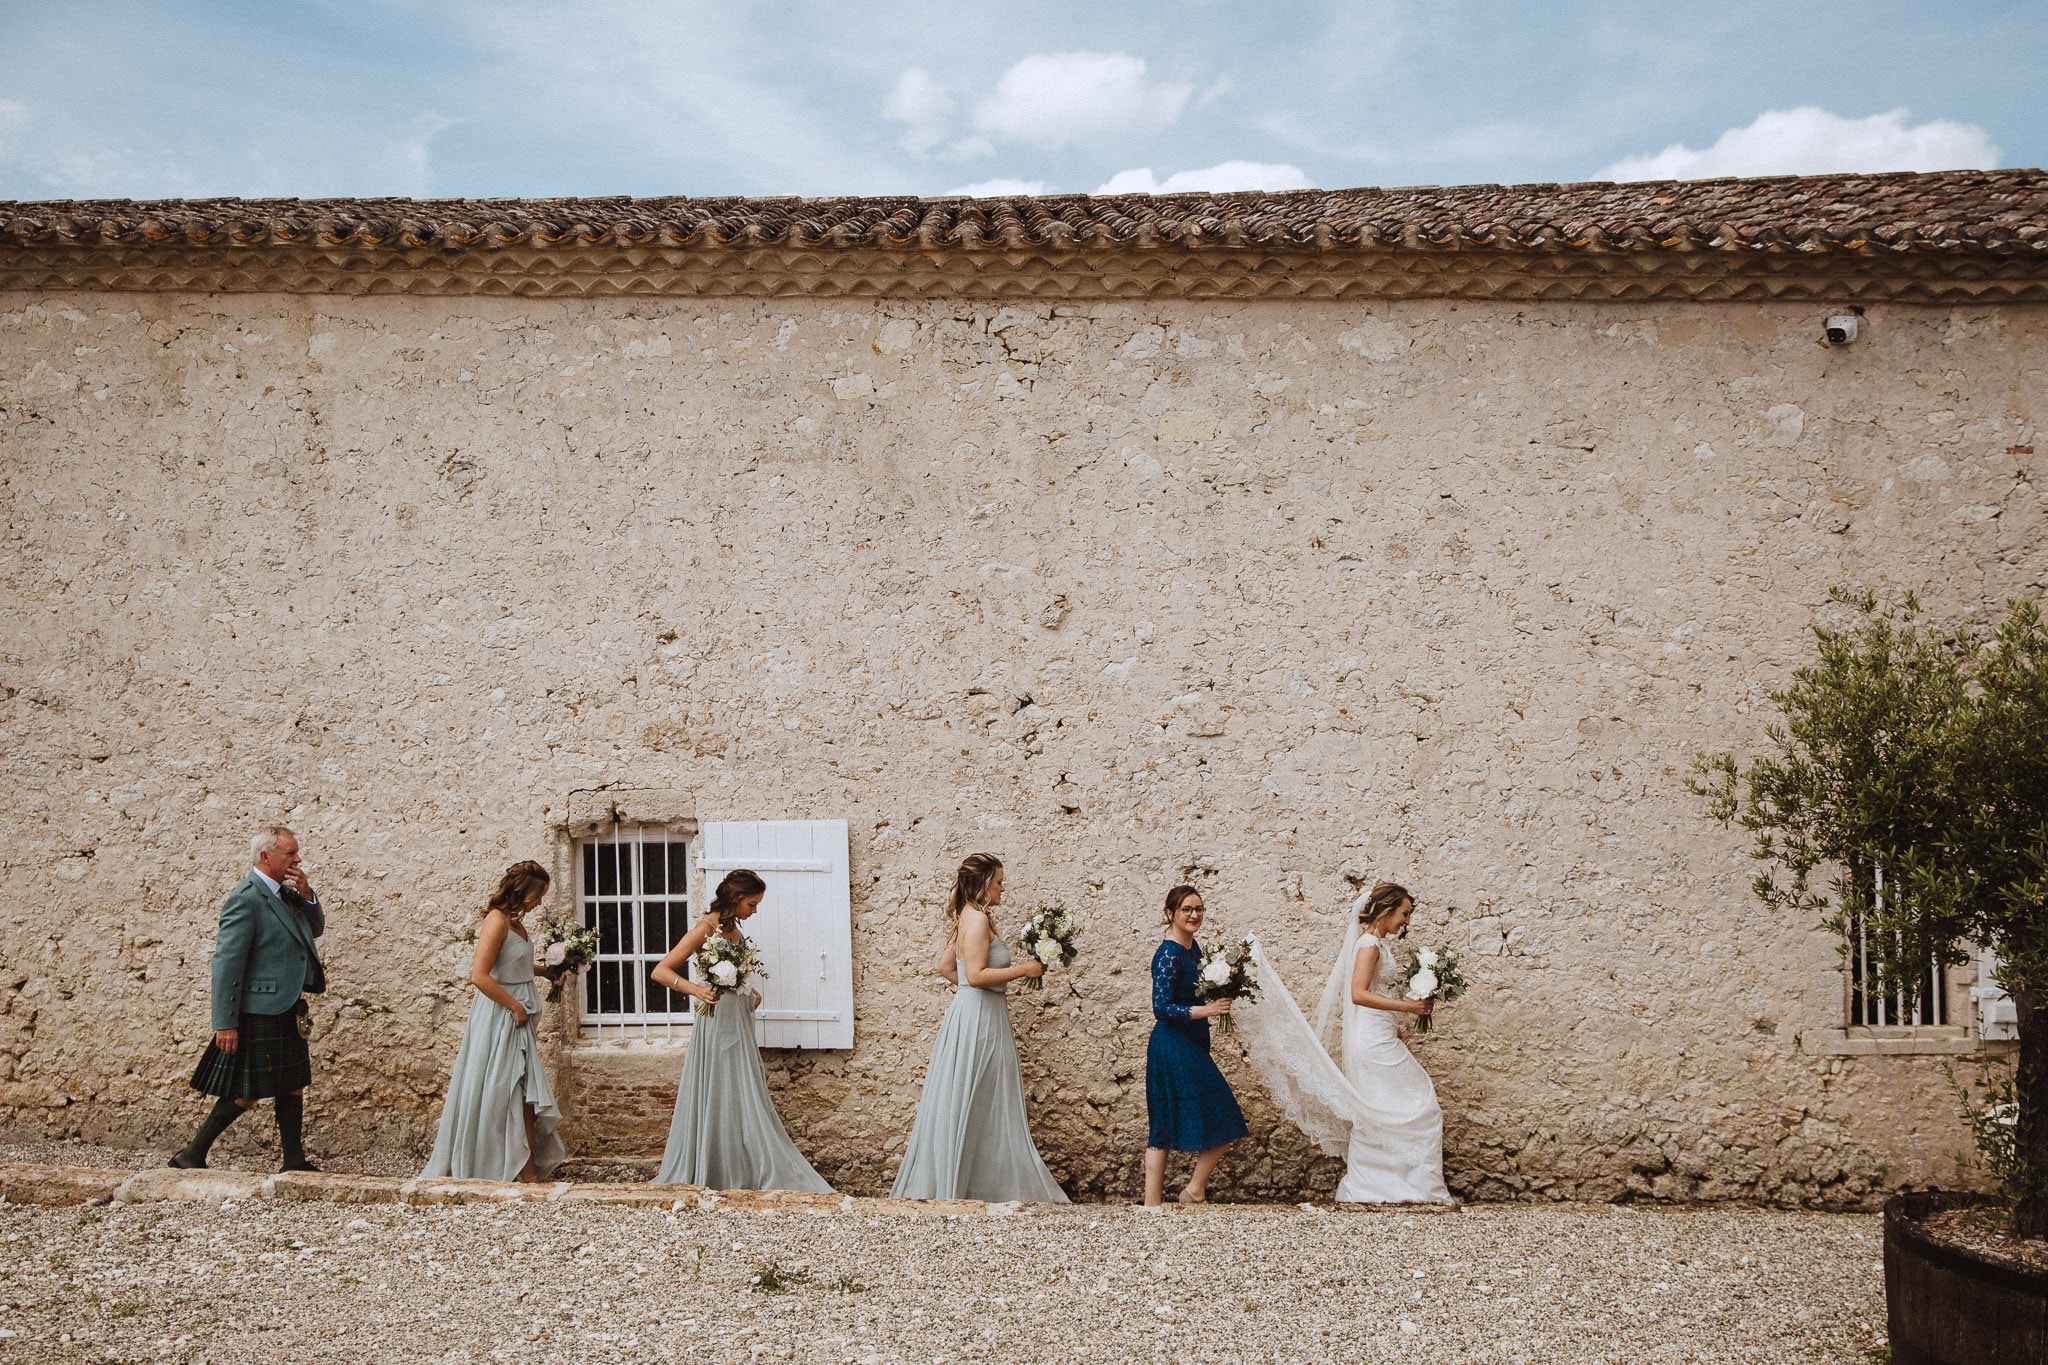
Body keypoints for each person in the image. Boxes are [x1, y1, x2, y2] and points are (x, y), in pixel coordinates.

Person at [1232, 880, 1452, 1204]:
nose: (1406, 921)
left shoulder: (1379, 943)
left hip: (1381, 1033)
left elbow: (1377, 991)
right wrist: (1409, 1007)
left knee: (1393, 1104)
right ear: (1387, 910)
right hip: (1371, 1041)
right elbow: (1358, 993)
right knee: (1410, 1105)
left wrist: (1395, 1024)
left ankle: (1399, 1187)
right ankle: (1384, 1187)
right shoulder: (1368, 945)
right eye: (1404, 913)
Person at [889, 854, 1069, 1203]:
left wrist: (970, 995)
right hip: (979, 1019)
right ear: (985, 883)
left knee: (979, 1099)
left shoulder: (968, 918)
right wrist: (1022, 971)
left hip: (977, 1013)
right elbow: (975, 975)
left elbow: (946, 967)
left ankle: (973, 1182)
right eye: (999, 881)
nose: (1003, 888)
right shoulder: (977, 920)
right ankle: (965, 1187)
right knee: (978, 1098)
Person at [648, 870, 832, 1192]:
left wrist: (750, 989)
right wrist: (696, 990)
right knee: (720, 1087)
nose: (754, 911)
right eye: (752, 903)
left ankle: (742, 1162)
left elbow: (735, 973)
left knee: (741, 1087)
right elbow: (660, 971)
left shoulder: (733, 928)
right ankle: (715, 1165)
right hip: (716, 1021)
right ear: (735, 899)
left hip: (739, 1019)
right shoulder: (703, 930)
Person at [170, 826, 327, 1172]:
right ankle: (191, 1155)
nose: (298, 859)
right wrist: (225, 1022)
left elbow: (314, 929)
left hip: (287, 1006)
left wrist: (307, 894)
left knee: (293, 1085)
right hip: (259, 1010)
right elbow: (226, 964)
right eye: (291, 854)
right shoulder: (246, 898)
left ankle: (294, 1160)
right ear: (266, 857)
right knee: (246, 1092)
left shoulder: (285, 893)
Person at [419, 861, 566, 1182]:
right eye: (537, 895)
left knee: (525, 1091)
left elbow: (515, 964)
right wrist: (514, 1006)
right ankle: (501, 1165)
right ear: (521, 890)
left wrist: (547, 971)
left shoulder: (516, 924)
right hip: (501, 1017)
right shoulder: (496, 922)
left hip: (519, 1017)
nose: (539, 902)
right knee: (507, 1088)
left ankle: (525, 1169)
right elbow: (479, 976)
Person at [1143, 885, 1249, 1206]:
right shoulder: (1168, 954)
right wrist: (1208, 1010)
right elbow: (1160, 1008)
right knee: (1163, 1123)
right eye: (1186, 909)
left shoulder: (1195, 949)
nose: (1194, 915)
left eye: (1199, 909)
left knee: (1225, 1118)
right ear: (1170, 914)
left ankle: (1194, 1191)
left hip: (1193, 1042)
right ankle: (1151, 1205)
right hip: (1171, 1045)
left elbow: (1196, 989)